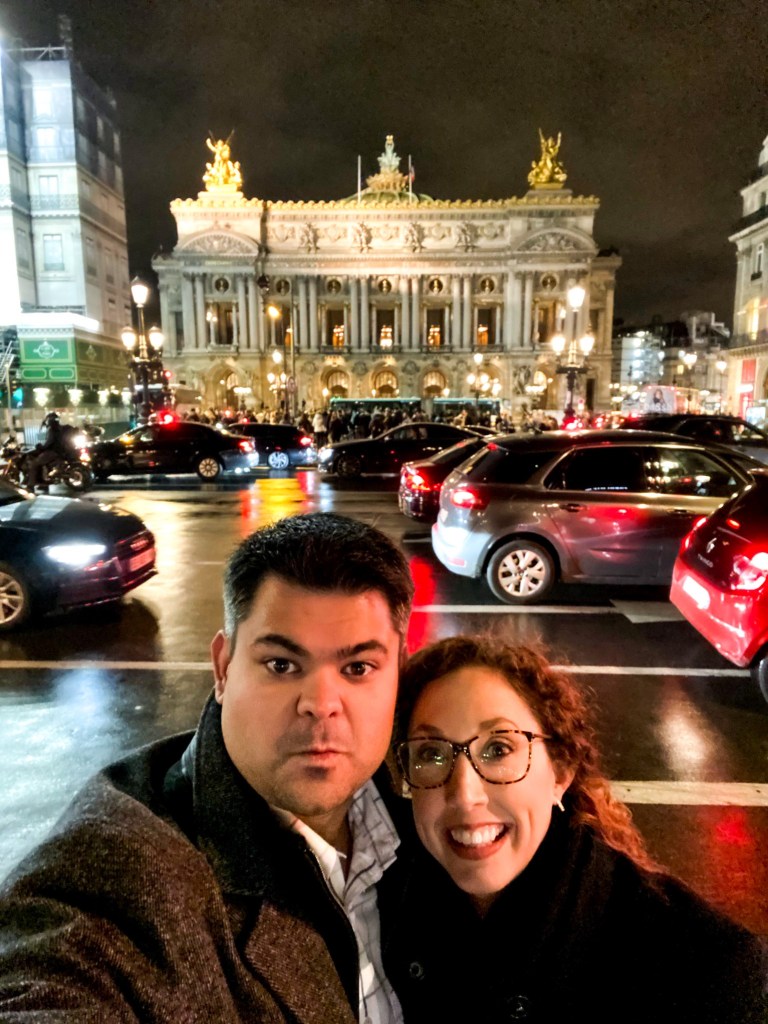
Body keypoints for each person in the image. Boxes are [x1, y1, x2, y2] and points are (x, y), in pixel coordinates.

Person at [0, 512, 415, 1022]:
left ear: (399, 673)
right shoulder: (123, 873)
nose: (321, 704)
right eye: (282, 665)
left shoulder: (431, 798)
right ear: (223, 668)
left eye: (358, 668)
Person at [383, 636, 767, 1023]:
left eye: (498, 749)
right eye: (431, 753)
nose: (465, 795)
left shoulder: (702, 972)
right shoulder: (385, 897)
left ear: (561, 771)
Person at [25, 411, 77, 492]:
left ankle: (30, 486)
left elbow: (49, 442)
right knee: (43, 464)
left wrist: (41, 447)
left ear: (49, 420)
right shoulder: (60, 428)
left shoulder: (52, 429)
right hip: (61, 452)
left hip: (52, 452)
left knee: (34, 464)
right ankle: (44, 484)